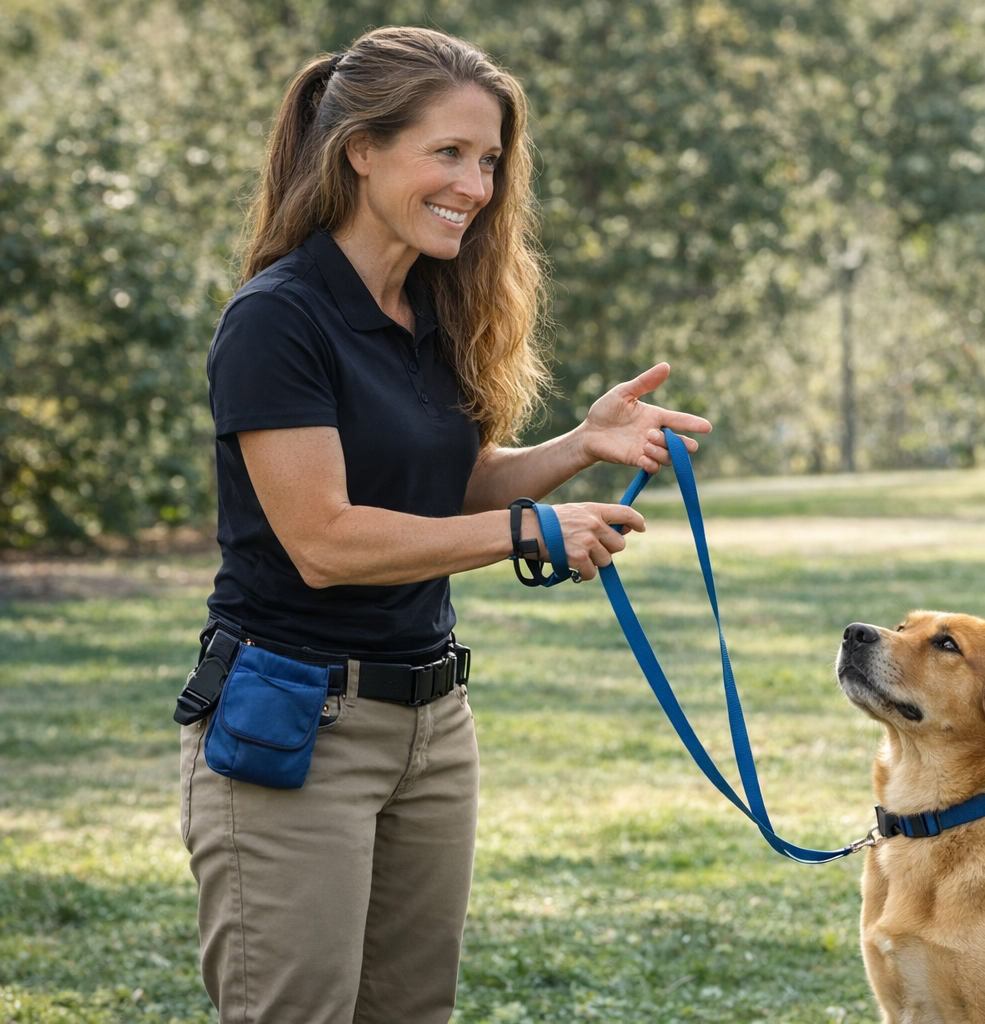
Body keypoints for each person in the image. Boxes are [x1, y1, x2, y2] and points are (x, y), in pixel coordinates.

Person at [178, 26, 710, 1024]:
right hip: (300, 722)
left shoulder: (430, 306)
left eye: (492, 160)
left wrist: (578, 446)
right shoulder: (279, 318)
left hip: (431, 722)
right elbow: (326, 538)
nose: (476, 184)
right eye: (450, 153)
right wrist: (525, 531)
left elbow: (445, 484)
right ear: (361, 151)